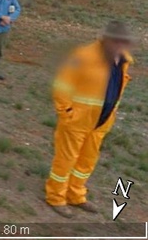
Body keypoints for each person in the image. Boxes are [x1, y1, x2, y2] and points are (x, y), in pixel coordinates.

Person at [45, 21, 136, 217]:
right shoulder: (82, 55)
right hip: (76, 120)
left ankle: (76, 195)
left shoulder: (124, 60)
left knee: (87, 161)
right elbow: (62, 84)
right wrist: (66, 113)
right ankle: (56, 197)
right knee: (66, 159)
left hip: (101, 122)